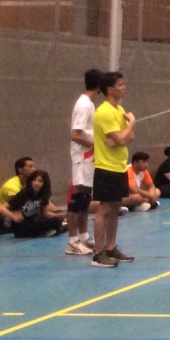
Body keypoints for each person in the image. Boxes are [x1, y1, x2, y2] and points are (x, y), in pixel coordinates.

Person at [90, 70, 136, 268]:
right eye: (120, 85)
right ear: (110, 90)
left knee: (116, 207)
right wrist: (130, 125)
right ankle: (98, 254)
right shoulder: (105, 112)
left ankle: (111, 248)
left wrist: (121, 138)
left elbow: (127, 138)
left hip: (119, 166)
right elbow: (121, 138)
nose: (124, 87)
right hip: (106, 167)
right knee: (104, 209)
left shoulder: (118, 110)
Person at [66, 67, 101, 255]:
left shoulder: (89, 103)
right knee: (77, 198)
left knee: (86, 198)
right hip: (82, 157)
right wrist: (94, 144)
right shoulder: (84, 105)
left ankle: (84, 235)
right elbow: (75, 134)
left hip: (89, 158)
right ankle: (72, 241)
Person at [3, 169, 66, 238]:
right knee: (55, 223)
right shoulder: (24, 193)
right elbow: (1, 208)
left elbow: (45, 214)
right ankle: (50, 231)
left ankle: (49, 231)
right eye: (34, 180)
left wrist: (61, 215)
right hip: (21, 226)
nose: (36, 183)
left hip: (33, 222)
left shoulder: (43, 195)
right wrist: (13, 216)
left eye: (40, 181)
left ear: (44, 183)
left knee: (57, 220)